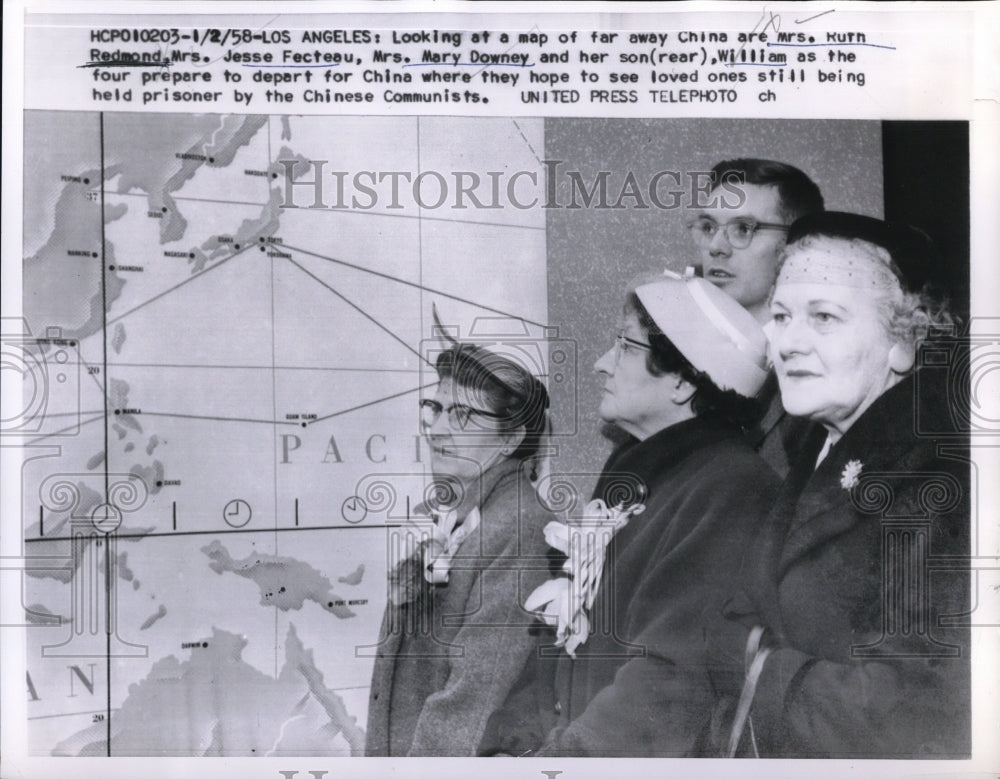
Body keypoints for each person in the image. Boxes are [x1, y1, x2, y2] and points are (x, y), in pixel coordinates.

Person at [712, 212, 970, 758]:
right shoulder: (808, 445)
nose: (787, 343)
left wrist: (749, 664)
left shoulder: (942, 477)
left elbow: (914, 716)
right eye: (780, 316)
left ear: (906, 340)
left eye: (823, 317)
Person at [493, 271, 781, 757]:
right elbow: (553, 641)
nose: (602, 365)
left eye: (625, 346)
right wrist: (507, 749)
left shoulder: (733, 488)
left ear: (683, 383)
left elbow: (669, 679)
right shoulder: (631, 471)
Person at [365, 340, 556, 756]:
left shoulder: (522, 527)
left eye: (463, 414)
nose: (437, 428)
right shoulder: (458, 512)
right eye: (436, 409)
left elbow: (469, 703)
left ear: (512, 439)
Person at [687, 158, 825, 476]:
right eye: (708, 228)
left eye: (743, 229)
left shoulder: (816, 365)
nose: (716, 247)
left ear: (796, 244)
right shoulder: (686, 354)